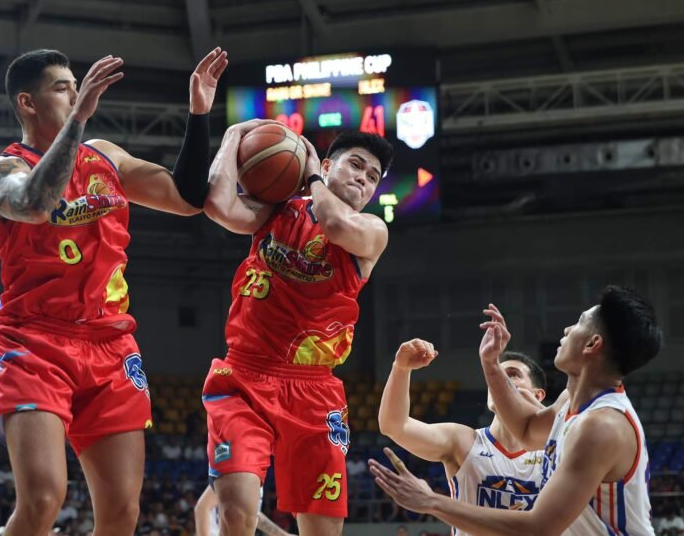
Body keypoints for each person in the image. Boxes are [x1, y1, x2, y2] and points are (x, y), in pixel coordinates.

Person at [0, 47, 228, 536]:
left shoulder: (107, 156)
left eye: (77, 84)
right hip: (34, 342)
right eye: (62, 87)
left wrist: (199, 114)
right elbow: (35, 205)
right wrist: (80, 119)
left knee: (121, 514)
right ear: (27, 102)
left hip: (110, 345)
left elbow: (186, 199)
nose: (76, 93)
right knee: (44, 500)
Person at [202, 127, 393, 535]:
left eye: (373, 176)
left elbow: (335, 226)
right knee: (236, 509)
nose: (363, 178)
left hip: (313, 390)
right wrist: (234, 135)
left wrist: (311, 179)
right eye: (355, 165)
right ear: (327, 165)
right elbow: (218, 206)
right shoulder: (277, 210)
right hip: (244, 376)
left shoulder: (372, 230)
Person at [369, 285, 662, 536]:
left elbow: (537, 529)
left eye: (579, 323)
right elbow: (526, 428)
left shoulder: (601, 427)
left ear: (592, 344)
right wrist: (490, 363)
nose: (567, 329)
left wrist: (431, 501)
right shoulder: (569, 405)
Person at [378, 339, 547, 522]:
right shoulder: (463, 441)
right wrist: (401, 369)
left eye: (512, 375)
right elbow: (394, 426)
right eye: (495, 377)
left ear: (537, 395)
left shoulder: (555, 450)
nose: (501, 382)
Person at [194, 486, 293, 536]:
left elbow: (251, 516)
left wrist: (282, 534)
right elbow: (202, 507)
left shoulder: (256, 473)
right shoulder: (239, 468)